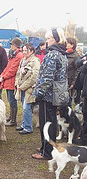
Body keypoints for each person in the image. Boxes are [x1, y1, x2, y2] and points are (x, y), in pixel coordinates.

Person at [31, 27, 68, 160]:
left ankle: (46, 152)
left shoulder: (52, 54)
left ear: (57, 39)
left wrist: (39, 94)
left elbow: (47, 78)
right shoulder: (62, 54)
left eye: (49, 38)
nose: (47, 41)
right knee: (51, 122)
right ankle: (48, 147)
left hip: (48, 96)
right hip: (56, 94)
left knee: (46, 124)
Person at [15, 43, 40, 134]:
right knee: (24, 107)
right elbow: (18, 73)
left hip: (29, 89)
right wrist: (17, 84)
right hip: (21, 88)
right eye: (23, 50)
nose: (24, 52)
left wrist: (23, 86)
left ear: (32, 51)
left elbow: (34, 77)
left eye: (26, 50)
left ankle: (28, 127)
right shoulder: (23, 60)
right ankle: (24, 124)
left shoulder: (35, 61)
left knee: (27, 107)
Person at [0, 37, 24, 126]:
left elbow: (13, 69)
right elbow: (8, 66)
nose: (11, 46)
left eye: (12, 44)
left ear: (16, 46)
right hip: (8, 80)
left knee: (12, 100)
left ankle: (13, 120)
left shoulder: (19, 55)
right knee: (10, 100)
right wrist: (2, 74)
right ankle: (11, 117)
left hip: (12, 81)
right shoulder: (14, 54)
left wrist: (4, 76)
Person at [73, 57, 87, 145]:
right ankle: (84, 138)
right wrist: (83, 61)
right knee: (85, 116)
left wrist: (84, 64)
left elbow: (84, 69)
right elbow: (77, 63)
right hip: (85, 93)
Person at [66, 37, 80, 107]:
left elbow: (78, 70)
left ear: (72, 45)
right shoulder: (63, 53)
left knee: (68, 102)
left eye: (68, 43)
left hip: (69, 81)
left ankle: (70, 117)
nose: (66, 44)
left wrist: (73, 83)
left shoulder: (76, 56)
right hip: (62, 81)